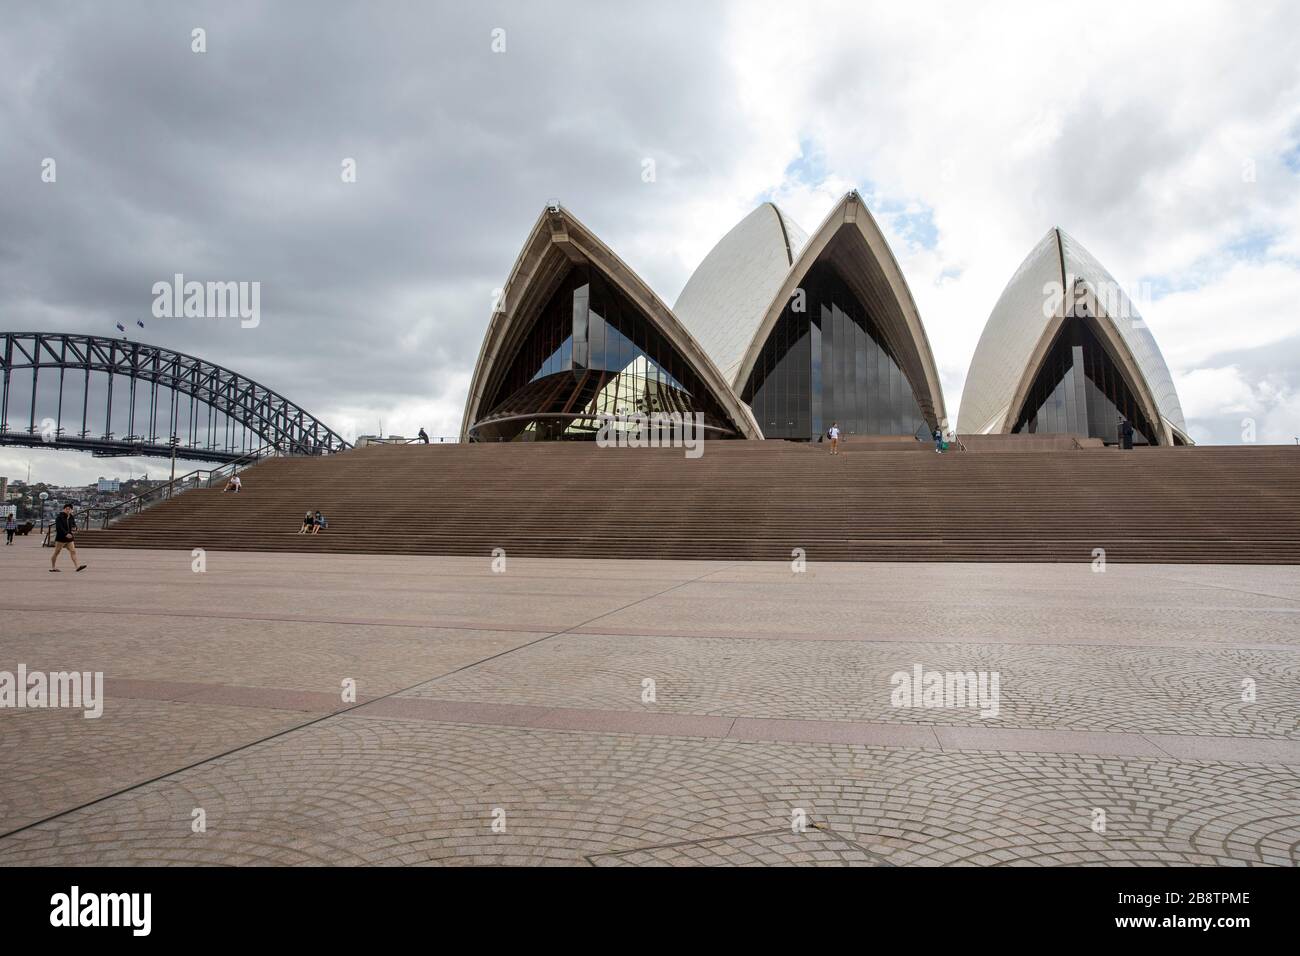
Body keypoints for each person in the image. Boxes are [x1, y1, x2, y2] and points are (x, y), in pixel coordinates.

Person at [49, 503, 86, 572]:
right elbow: (59, 527)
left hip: (69, 538)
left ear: (72, 510)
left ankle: (77, 567)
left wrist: (74, 528)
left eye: (69, 509)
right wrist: (66, 534)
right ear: (64, 509)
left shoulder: (71, 517)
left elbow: (73, 525)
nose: (68, 510)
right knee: (57, 552)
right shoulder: (59, 517)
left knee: (73, 551)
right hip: (61, 538)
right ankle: (53, 567)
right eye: (66, 509)